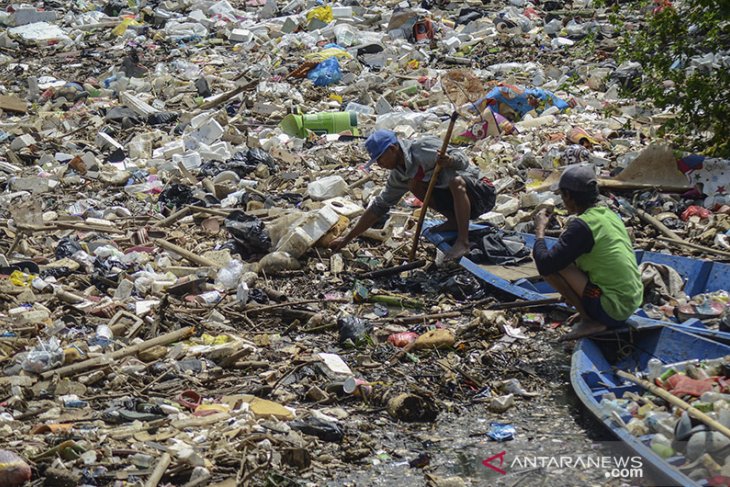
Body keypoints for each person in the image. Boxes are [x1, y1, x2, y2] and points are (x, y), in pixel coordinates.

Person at [329, 130, 496, 260]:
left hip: (482, 194)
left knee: (455, 181)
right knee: (414, 185)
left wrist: (450, 161)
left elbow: (463, 159)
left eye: (380, 159)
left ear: (393, 149)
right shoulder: (399, 175)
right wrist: (346, 239)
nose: (380, 165)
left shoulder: (422, 147)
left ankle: (463, 241)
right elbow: (379, 207)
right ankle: (454, 221)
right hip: (461, 206)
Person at [532, 164, 643, 340]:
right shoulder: (608, 214)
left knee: (552, 268)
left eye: (562, 195)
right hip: (631, 301)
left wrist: (540, 231)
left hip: (614, 309)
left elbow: (545, 263)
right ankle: (592, 311)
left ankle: (590, 319)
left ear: (568, 195)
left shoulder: (582, 225)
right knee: (566, 260)